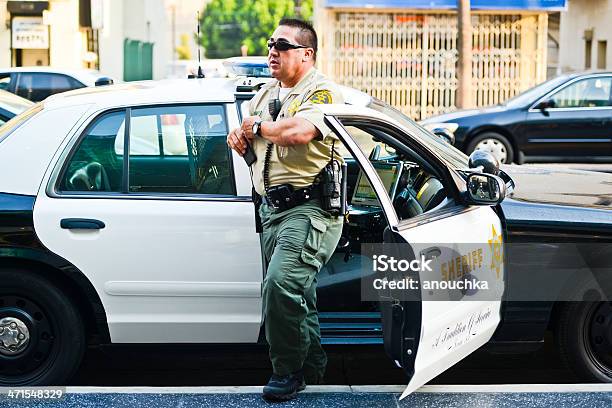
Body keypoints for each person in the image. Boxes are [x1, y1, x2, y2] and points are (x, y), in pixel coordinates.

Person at [227, 18, 344, 401]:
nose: (271, 51)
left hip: (309, 209)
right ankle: (314, 371)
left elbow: (299, 133)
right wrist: (242, 141)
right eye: (269, 44)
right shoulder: (265, 93)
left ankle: (287, 372)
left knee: (280, 285)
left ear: (306, 54)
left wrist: (258, 129)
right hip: (272, 210)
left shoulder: (322, 92)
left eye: (281, 45)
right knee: (299, 295)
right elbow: (259, 145)